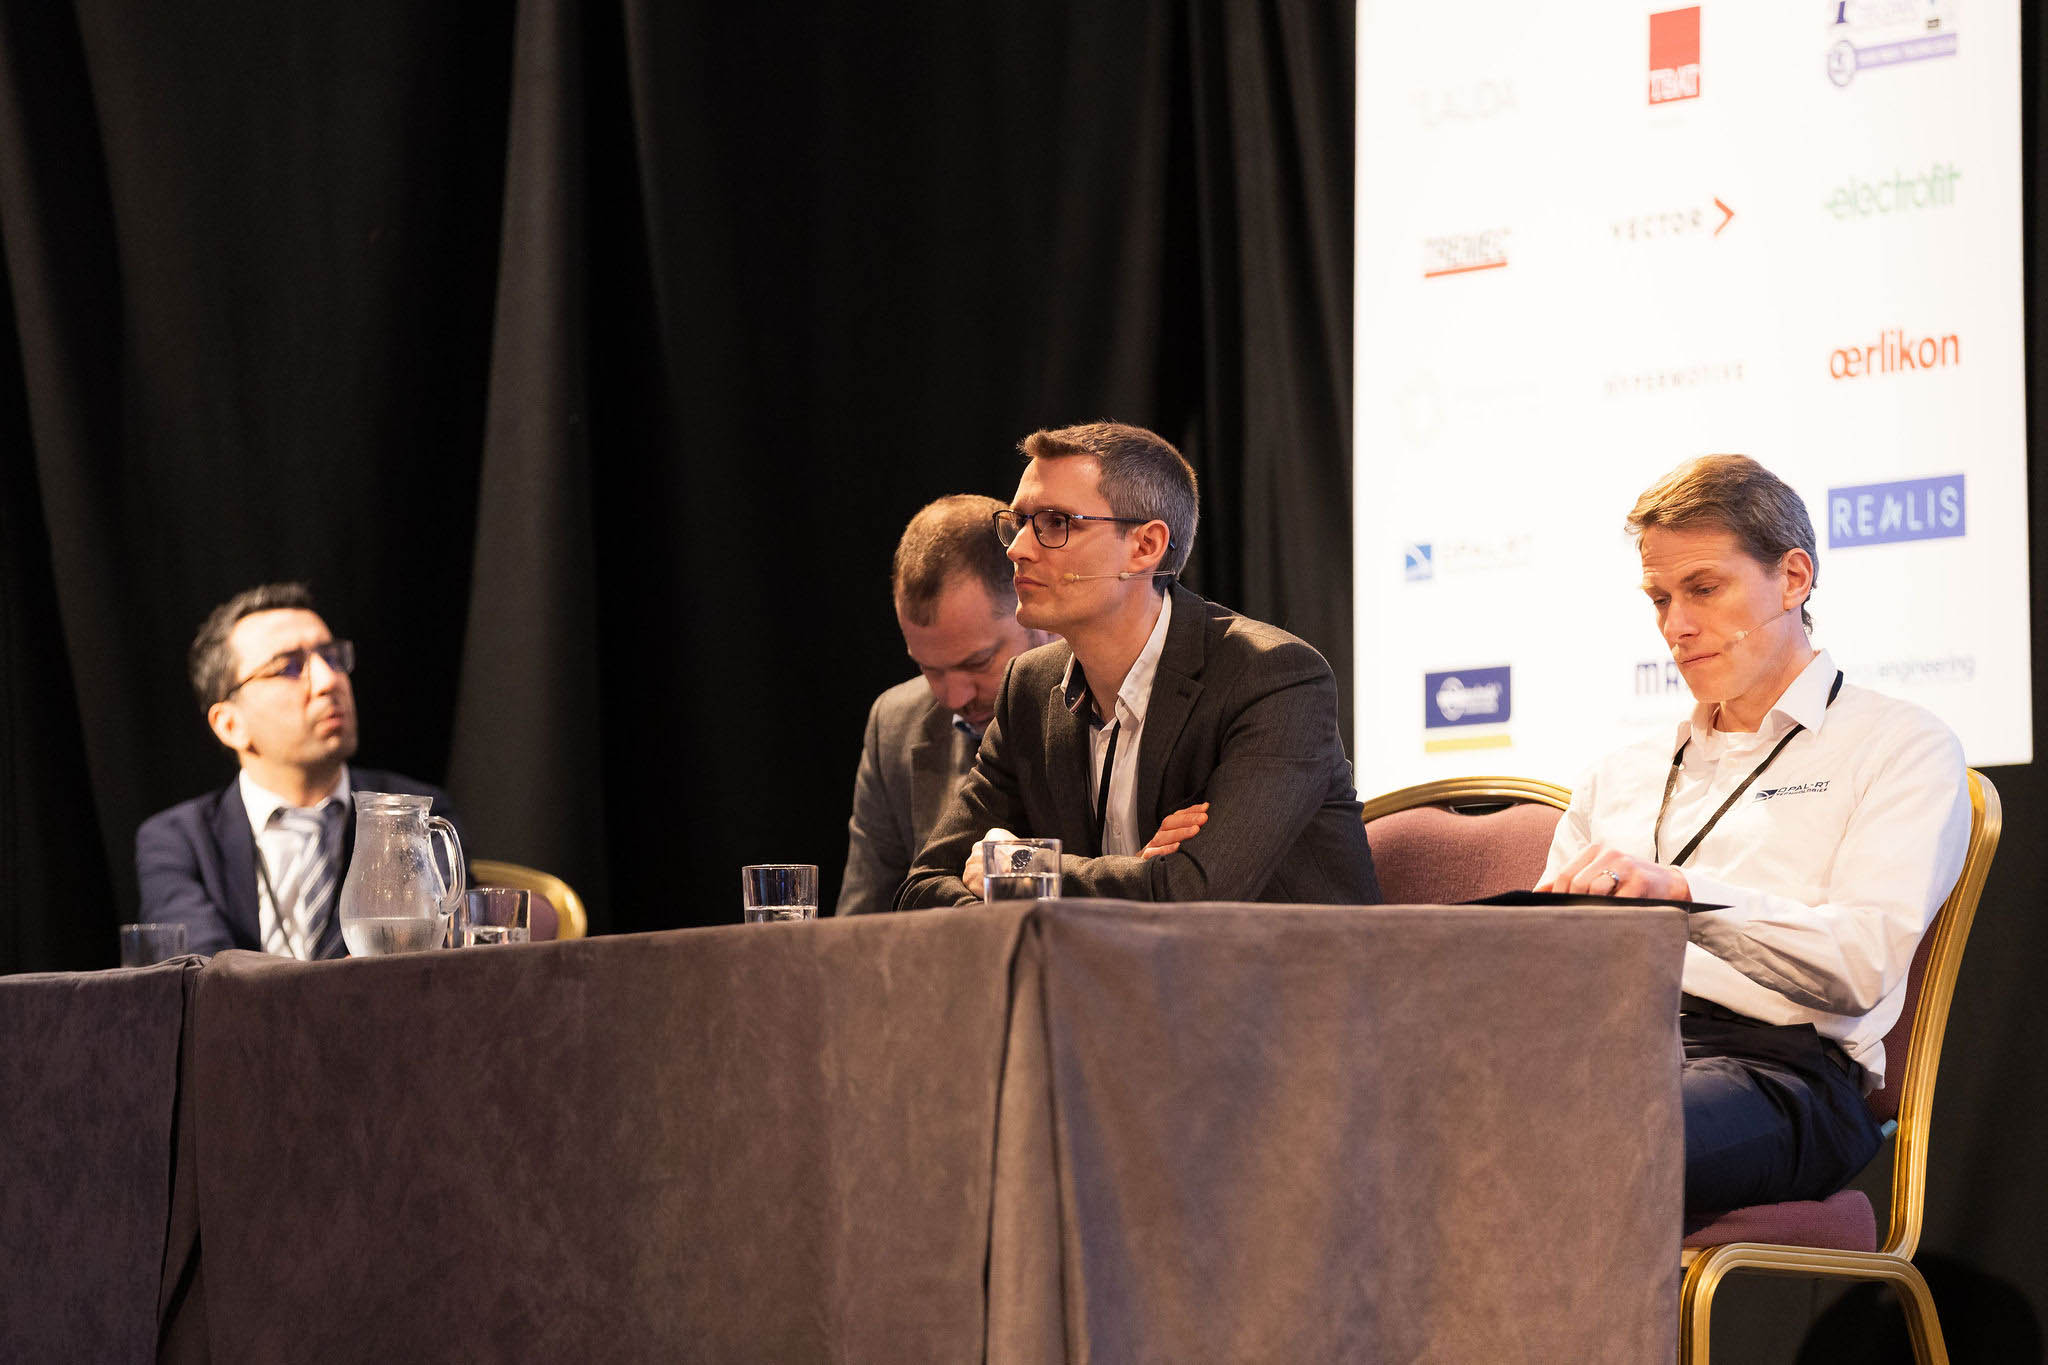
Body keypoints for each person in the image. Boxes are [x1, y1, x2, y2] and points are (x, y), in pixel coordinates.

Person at [1535, 455, 1970, 1215]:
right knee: (1404, 1116)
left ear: (1794, 578)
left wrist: (1684, 896)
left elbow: (1863, 962)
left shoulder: (1899, 744)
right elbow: (1543, 976)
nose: (1676, 625)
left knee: (1579, 1140)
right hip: (1612, 1055)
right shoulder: (1619, 773)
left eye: (1703, 588)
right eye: (1660, 599)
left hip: (1786, 1074)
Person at [897, 421, 1379, 908]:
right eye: (1019, 522)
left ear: (1145, 546)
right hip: (1115, 961)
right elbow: (922, 886)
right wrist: (1126, 877)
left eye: (1056, 523)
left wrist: (1020, 868)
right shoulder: (1030, 686)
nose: (1018, 548)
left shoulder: (1273, 678)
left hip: (1284, 959)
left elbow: (1193, 894)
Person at [136, 582, 461, 957]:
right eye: (288, 667)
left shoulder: (415, 812)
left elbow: (430, 954)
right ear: (230, 724)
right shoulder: (179, 841)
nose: (329, 681)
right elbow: (203, 973)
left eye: (333, 658)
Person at [836, 494, 1053, 915]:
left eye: (976, 663)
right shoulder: (894, 725)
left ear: (1034, 610)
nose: (954, 698)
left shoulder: (1104, 700)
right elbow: (862, 925)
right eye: (929, 669)